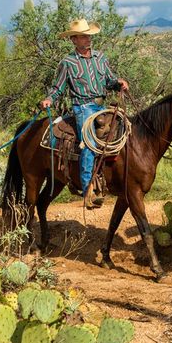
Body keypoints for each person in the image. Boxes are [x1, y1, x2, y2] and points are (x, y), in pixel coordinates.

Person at [39, 18, 129, 208]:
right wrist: (49, 99)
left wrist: (118, 82)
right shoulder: (68, 63)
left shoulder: (101, 58)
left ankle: (121, 178)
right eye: (83, 36)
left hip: (102, 106)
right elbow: (58, 88)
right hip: (83, 107)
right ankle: (88, 190)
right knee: (88, 143)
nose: (88, 39)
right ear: (74, 39)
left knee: (125, 130)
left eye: (89, 36)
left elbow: (109, 81)